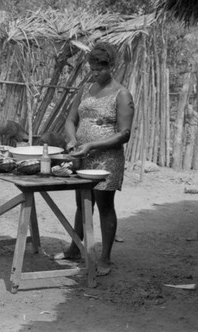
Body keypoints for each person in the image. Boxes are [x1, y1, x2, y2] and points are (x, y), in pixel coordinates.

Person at [54, 42, 135, 276]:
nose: (95, 72)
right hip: (81, 156)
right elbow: (70, 120)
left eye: (100, 68)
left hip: (106, 160)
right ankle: (74, 248)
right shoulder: (85, 91)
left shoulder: (122, 95)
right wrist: (72, 141)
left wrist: (92, 145)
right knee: (82, 203)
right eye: (91, 68)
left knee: (104, 206)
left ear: (112, 66)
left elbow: (124, 134)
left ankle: (105, 258)